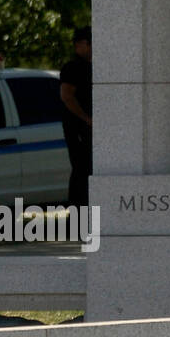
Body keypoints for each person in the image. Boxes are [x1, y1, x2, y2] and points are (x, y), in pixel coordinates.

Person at [59, 29, 92, 209]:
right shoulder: (73, 67)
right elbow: (67, 96)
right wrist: (86, 118)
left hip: (89, 127)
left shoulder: (93, 66)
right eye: (91, 43)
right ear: (79, 44)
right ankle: (78, 211)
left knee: (90, 169)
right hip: (78, 128)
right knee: (81, 169)